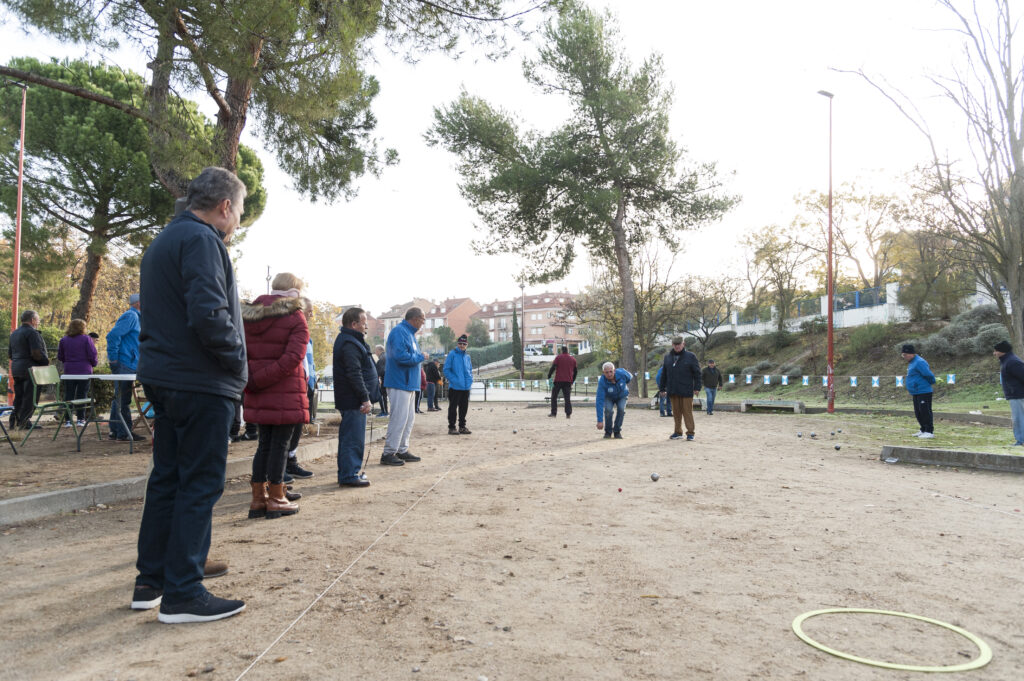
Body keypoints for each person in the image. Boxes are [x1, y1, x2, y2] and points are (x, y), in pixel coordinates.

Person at [133, 166, 247, 623]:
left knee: (168, 478)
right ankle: (184, 592)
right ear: (223, 207)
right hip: (200, 379)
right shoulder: (203, 241)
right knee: (199, 482)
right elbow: (209, 314)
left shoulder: (162, 241)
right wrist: (238, 360)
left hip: (166, 375)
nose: (237, 220)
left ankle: (153, 580)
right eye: (238, 211)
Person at [242, 273, 310, 520]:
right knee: (280, 445)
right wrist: (265, 378)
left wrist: (254, 379)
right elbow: (294, 358)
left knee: (264, 445)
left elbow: (240, 353)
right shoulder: (295, 316)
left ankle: (258, 498)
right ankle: (277, 498)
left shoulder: (249, 315)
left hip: (257, 390)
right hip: (284, 390)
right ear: (294, 292)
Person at [334, 307, 379, 487]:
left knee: (352, 438)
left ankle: (349, 473)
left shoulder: (351, 340)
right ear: (354, 324)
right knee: (352, 439)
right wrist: (364, 397)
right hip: (353, 400)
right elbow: (354, 373)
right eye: (364, 321)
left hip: (353, 399)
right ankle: (349, 475)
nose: (366, 325)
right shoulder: (349, 343)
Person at [380, 307, 429, 465]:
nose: (423, 323)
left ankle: (402, 449)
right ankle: (388, 453)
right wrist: (421, 356)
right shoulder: (399, 332)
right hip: (399, 382)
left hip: (409, 383)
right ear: (415, 319)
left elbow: (409, 355)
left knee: (408, 419)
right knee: (399, 418)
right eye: (423, 319)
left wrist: (418, 357)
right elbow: (400, 356)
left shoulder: (410, 334)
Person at [282, 299, 316, 482]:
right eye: (309, 311)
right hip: (295, 386)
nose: (311, 315)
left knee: (298, 428)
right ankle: (282, 466)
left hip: (307, 385)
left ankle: (291, 461)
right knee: (288, 429)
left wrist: (313, 380)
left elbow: (309, 361)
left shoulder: (307, 335)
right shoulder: (290, 332)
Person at [107, 293, 145, 441]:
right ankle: (123, 432)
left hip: (130, 362)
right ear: (139, 303)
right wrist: (114, 359)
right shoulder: (131, 316)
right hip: (124, 363)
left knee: (120, 397)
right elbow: (112, 336)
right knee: (123, 398)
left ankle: (116, 430)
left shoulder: (137, 317)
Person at [8, 309, 49, 429]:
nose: (39, 322)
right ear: (32, 320)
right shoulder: (32, 333)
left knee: (19, 396)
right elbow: (36, 353)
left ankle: (14, 421)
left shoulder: (14, 333)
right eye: (38, 319)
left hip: (16, 368)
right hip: (30, 369)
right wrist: (45, 362)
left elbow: (10, 354)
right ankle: (24, 422)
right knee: (30, 396)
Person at [658, 336, 702, 441]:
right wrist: (662, 388)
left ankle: (690, 433)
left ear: (683, 344)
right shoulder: (667, 357)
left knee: (687, 412)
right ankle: (678, 432)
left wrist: (697, 387)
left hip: (686, 390)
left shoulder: (691, 356)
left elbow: (697, 373)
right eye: (675, 344)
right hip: (673, 390)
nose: (677, 346)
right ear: (672, 345)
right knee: (676, 413)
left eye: (679, 344)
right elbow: (664, 373)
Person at [57, 318, 97, 426]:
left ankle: (68, 420)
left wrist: (68, 362)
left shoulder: (64, 340)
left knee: (68, 395)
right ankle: (80, 419)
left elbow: (60, 356)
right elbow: (92, 354)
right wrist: (93, 364)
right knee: (82, 394)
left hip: (69, 371)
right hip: (84, 370)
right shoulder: (86, 339)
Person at [901, 343, 936, 439]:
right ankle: (923, 429)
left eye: (905, 355)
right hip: (916, 391)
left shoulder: (919, 362)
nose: (904, 357)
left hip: (923, 391)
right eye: (903, 355)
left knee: (925, 411)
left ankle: (929, 431)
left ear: (911, 353)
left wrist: (931, 382)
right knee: (918, 412)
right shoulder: (912, 363)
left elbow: (928, 374)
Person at [993, 340, 1024, 446]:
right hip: (1015, 394)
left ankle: (1021, 441)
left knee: (1018, 419)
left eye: (996, 351)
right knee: (1018, 418)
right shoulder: (1007, 361)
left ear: (1002, 351)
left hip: (1018, 395)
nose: (994, 353)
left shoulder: (1012, 362)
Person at [444, 334, 474, 435]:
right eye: (460, 343)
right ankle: (451, 427)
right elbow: (446, 370)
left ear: (467, 345)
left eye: (464, 344)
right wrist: (455, 381)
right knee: (453, 408)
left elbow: (470, 370)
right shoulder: (452, 354)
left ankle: (462, 427)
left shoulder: (467, 357)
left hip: (466, 387)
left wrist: (470, 380)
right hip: (455, 387)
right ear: (457, 344)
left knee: (464, 408)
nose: (462, 345)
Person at [595, 361, 632, 439]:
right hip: (609, 397)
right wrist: (600, 420)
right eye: (606, 372)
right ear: (603, 373)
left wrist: (624, 385)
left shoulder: (622, 373)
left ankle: (617, 431)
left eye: (611, 371)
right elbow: (599, 401)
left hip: (622, 395)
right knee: (608, 410)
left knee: (621, 409)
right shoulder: (602, 382)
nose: (609, 374)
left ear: (614, 370)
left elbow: (630, 377)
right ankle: (608, 432)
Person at [547, 346, 577, 419]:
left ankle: (554, 413)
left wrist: (549, 375)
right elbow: (575, 371)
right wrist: (572, 380)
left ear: (561, 351)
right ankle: (568, 414)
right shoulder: (573, 359)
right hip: (568, 381)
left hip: (558, 380)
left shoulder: (558, 357)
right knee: (567, 398)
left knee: (554, 397)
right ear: (567, 351)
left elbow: (553, 367)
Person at [374, 344, 389, 416]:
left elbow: (380, 371)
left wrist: (378, 377)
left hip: (384, 380)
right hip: (390, 380)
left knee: (382, 396)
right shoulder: (387, 356)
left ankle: (384, 411)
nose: (375, 353)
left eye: (375, 351)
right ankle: (385, 411)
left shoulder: (381, 359)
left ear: (378, 351)